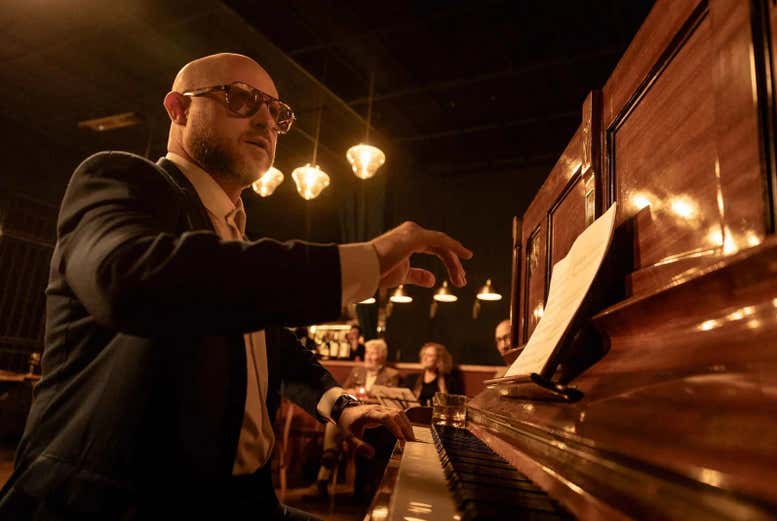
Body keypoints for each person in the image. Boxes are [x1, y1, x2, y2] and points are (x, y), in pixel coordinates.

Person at [0, 53, 472, 520]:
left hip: (244, 501)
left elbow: (269, 343)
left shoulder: (235, 237)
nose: (267, 120)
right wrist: (360, 261)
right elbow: (129, 278)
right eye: (241, 98)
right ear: (179, 109)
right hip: (122, 503)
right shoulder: (120, 180)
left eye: (277, 112)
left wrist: (342, 405)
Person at [312, 339, 399, 498]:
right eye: (367, 352)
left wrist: (368, 397)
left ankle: (325, 470)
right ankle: (329, 457)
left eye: (373, 353)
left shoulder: (392, 375)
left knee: (337, 420)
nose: (369, 356)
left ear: (382, 356)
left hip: (374, 420)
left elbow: (389, 400)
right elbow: (344, 390)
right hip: (353, 413)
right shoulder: (358, 370)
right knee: (336, 418)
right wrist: (353, 392)